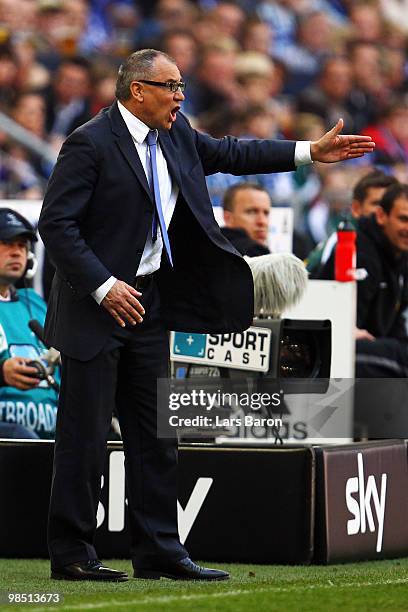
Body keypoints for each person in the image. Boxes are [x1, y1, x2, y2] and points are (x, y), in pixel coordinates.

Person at [38, 48, 375, 583]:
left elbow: (235, 153)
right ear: (137, 91)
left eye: (182, 86)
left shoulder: (176, 133)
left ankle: (159, 550)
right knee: (85, 436)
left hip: (151, 305)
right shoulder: (88, 143)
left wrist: (311, 151)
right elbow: (57, 226)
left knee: (157, 437)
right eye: (170, 86)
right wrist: (103, 286)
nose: (180, 96)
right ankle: (72, 552)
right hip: (95, 309)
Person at [313, 182, 408, 377]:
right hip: (328, 351)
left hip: (369, 349)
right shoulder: (357, 251)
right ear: (381, 216)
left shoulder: (400, 256)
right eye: (403, 219)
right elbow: (343, 329)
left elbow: (395, 326)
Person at [0, 208, 59, 439]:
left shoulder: (36, 304)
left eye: (22, 245)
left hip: (54, 432)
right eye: (7, 243)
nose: (17, 252)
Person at [307, 169, 398, 276]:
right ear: (356, 208)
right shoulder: (340, 242)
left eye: (388, 204)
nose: (382, 211)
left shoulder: (399, 243)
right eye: (376, 204)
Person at [221, 182, 271, 257]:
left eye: (266, 213)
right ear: (228, 218)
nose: (262, 221)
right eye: (252, 212)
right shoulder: (255, 252)